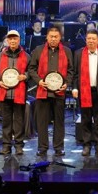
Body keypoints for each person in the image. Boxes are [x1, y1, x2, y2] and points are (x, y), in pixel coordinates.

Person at [28, 26, 73, 156]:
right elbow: (31, 69)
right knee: (42, 121)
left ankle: (59, 147)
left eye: (56, 37)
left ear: (60, 38)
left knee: (59, 121)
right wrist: (39, 81)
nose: (53, 39)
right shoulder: (39, 50)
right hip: (43, 91)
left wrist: (66, 83)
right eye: (51, 36)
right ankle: (42, 147)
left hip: (59, 92)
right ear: (47, 37)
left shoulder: (67, 51)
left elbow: (71, 71)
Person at [72, 31, 98, 157]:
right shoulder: (79, 54)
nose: (91, 41)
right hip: (84, 91)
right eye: (88, 38)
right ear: (86, 40)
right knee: (86, 120)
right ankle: (87, 145)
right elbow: (75, 74)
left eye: (93, 39)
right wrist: (74, 88)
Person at [0, 29, 29, 155]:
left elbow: (32, 71)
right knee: (6, 121)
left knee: (19, 121)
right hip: (5, 93)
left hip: (19, 93)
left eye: (15, 39)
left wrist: (25, 76)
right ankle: (6, 145)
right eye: (10, 39)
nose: (12, 41)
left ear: (19, 40)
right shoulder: (1, 55)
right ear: (7, 40)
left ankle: (19, 145)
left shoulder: (26, 56)